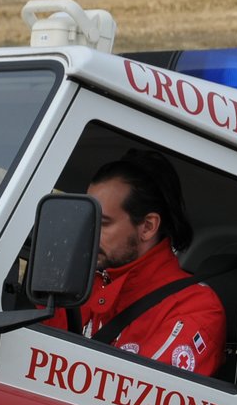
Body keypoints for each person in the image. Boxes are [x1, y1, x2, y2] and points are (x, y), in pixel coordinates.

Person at [52, 149, 226, 376]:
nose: (89, 233)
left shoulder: (195, 307)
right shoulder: (78, 282)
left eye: (103, 223)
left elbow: (140, 398)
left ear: (147, 227)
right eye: (87, 218)